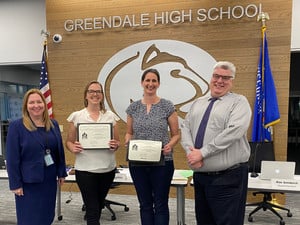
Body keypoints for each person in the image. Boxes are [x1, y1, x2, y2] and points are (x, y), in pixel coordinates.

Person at [181, 61, 252, 225]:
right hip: (200, 177)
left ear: (232, 81)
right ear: (211, 77)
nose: (220, 81)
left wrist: (203, 153)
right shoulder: (198, 102)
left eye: (225, 78)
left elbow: (233, 131)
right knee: (204, 221)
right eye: (216, 76)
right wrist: (191, 153)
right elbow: (185, 127)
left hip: (227, 177)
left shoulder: (239, 102)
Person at [125, 68, 180, 225]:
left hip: (163, 162)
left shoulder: (167, 106)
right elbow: (129, 133)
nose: (150, 84)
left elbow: (176, 134)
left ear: (158, 84)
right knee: (145, 204)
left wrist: (170, 144)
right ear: (142, 83)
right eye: (147, 80)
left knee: (161, 203)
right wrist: (128, 140)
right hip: (137, 162)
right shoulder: (133, 108)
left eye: (154, 80)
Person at [6, 88, 67, 225]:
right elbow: (12, 158)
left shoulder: (53, 124)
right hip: (28, 183)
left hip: (49, 180)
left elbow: (59, 151)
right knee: (30, 218)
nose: (36, 105)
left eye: (39, 102)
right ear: (26, 106)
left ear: (44, 105)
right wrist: (15, 184)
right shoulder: (17, 127)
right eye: (31, 102)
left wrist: (61, 172)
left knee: (46, 216)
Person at [66, 80, 120, 225]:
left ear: (102, 95)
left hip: (107, 170)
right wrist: (73, 148)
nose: (95, 94)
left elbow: (118, 143)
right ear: (86, 95)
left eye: (98, 91)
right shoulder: (76, 116)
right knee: (92, 210)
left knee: (99, 205)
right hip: (85, 171)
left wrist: (115, 145)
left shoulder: (111, 116)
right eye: (91, 91)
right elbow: (69, 142)